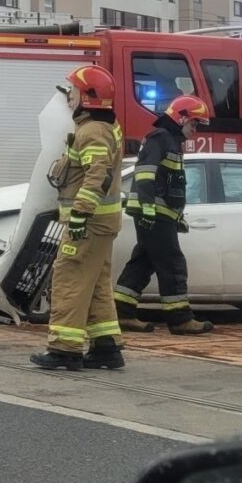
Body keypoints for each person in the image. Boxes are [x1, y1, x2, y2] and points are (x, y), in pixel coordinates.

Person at [31, 66, 126, 371]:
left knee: (69, 280)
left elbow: (97, 174)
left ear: (87, 96)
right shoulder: (102, 126)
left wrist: (79, 216)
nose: (69, 97)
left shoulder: (92, 131)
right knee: (96, 284)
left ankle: (64, 349)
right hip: (101, 224)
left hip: (88, 223)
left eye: (73, 91)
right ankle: (106, 347)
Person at [116, 95, 214, 335]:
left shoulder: (170, 141)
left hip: (159, 214)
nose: (196, 130)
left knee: (143, 263)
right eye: (194, 124)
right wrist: (149, 208)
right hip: (154, 213)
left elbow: (169, 184)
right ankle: (180, 319)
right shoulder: (161, 138)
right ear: (181, 118)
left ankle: (122, 312)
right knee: (172, 263)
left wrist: (176, 216)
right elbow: (145, 174)